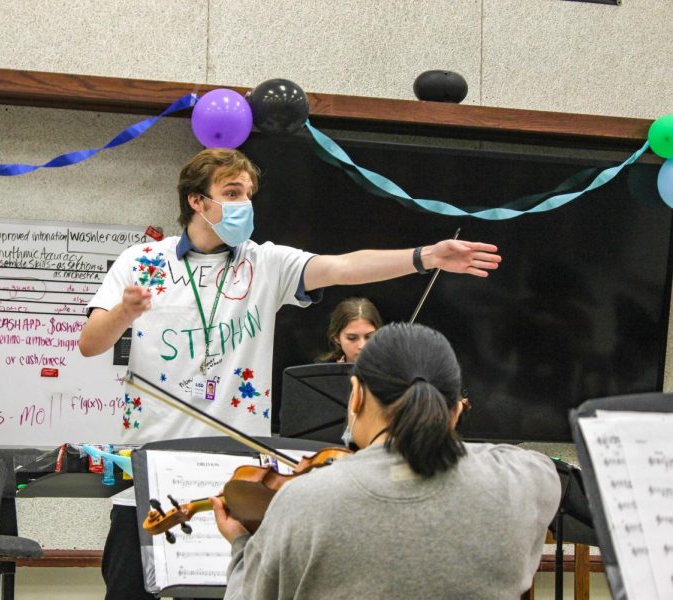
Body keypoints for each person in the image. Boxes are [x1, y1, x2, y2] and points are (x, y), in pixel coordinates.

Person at [79, 148, 502, 599]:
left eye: (249, 194)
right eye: (232, 193)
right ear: (197, 202)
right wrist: (124, 311)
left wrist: (425, 257)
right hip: (149, 470)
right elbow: (91, 343)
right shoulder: (142, 260)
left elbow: (344, 266)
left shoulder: (264, 262)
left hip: (235, 476)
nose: (245, 204)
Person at [210, 322, 561, 600]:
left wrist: (244, 547)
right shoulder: (522, 478)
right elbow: (532, 466)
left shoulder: (302, 501)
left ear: (357, 395)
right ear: (455, 410)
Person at [316, 297, 383, 363]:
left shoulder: (391, 368)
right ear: (336, 338)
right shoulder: (322, 371)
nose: (362, 346)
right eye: (352, 338)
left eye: (370, 337)